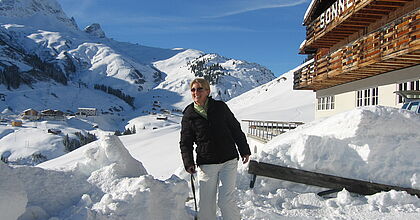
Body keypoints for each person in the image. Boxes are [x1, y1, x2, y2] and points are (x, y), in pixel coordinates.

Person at [179, 78, 251, 220]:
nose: (196, 92)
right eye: (193, 89)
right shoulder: (189, 114)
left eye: (200, 89)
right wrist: (188, 162)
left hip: (228, 159)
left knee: (225, 202)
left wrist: (244, 149)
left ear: (207, 91)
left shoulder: (220, 107)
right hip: (207, 163)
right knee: (205, 206)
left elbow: (235, 128)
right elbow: (185, 142)